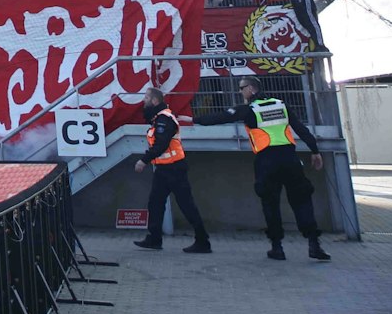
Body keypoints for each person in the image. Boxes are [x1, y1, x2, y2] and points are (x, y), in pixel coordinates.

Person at [195, 76, 330, 261]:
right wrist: (315, 151)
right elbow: (301, 129)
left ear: (251, 89)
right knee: (302, 202)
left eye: (242, 88)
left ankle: (277, 247)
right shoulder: (280, 105)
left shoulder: (249, 110)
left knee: (270, 204)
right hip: (290, 159)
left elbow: (221, 117)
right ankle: (314, 245)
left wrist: (195, 119)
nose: (240, 92)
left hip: (267, 161)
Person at [131, 86, 211, 253]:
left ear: (154, 101)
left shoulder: (164, 119)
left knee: (186, 205)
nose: (143, 102)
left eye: (146, 98)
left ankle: (203, 241)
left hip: (174, 169)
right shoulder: (158, 119)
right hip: (163, 169)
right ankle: (154, 239)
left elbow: (161, 144)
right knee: (155, 203)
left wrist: (143, 160)